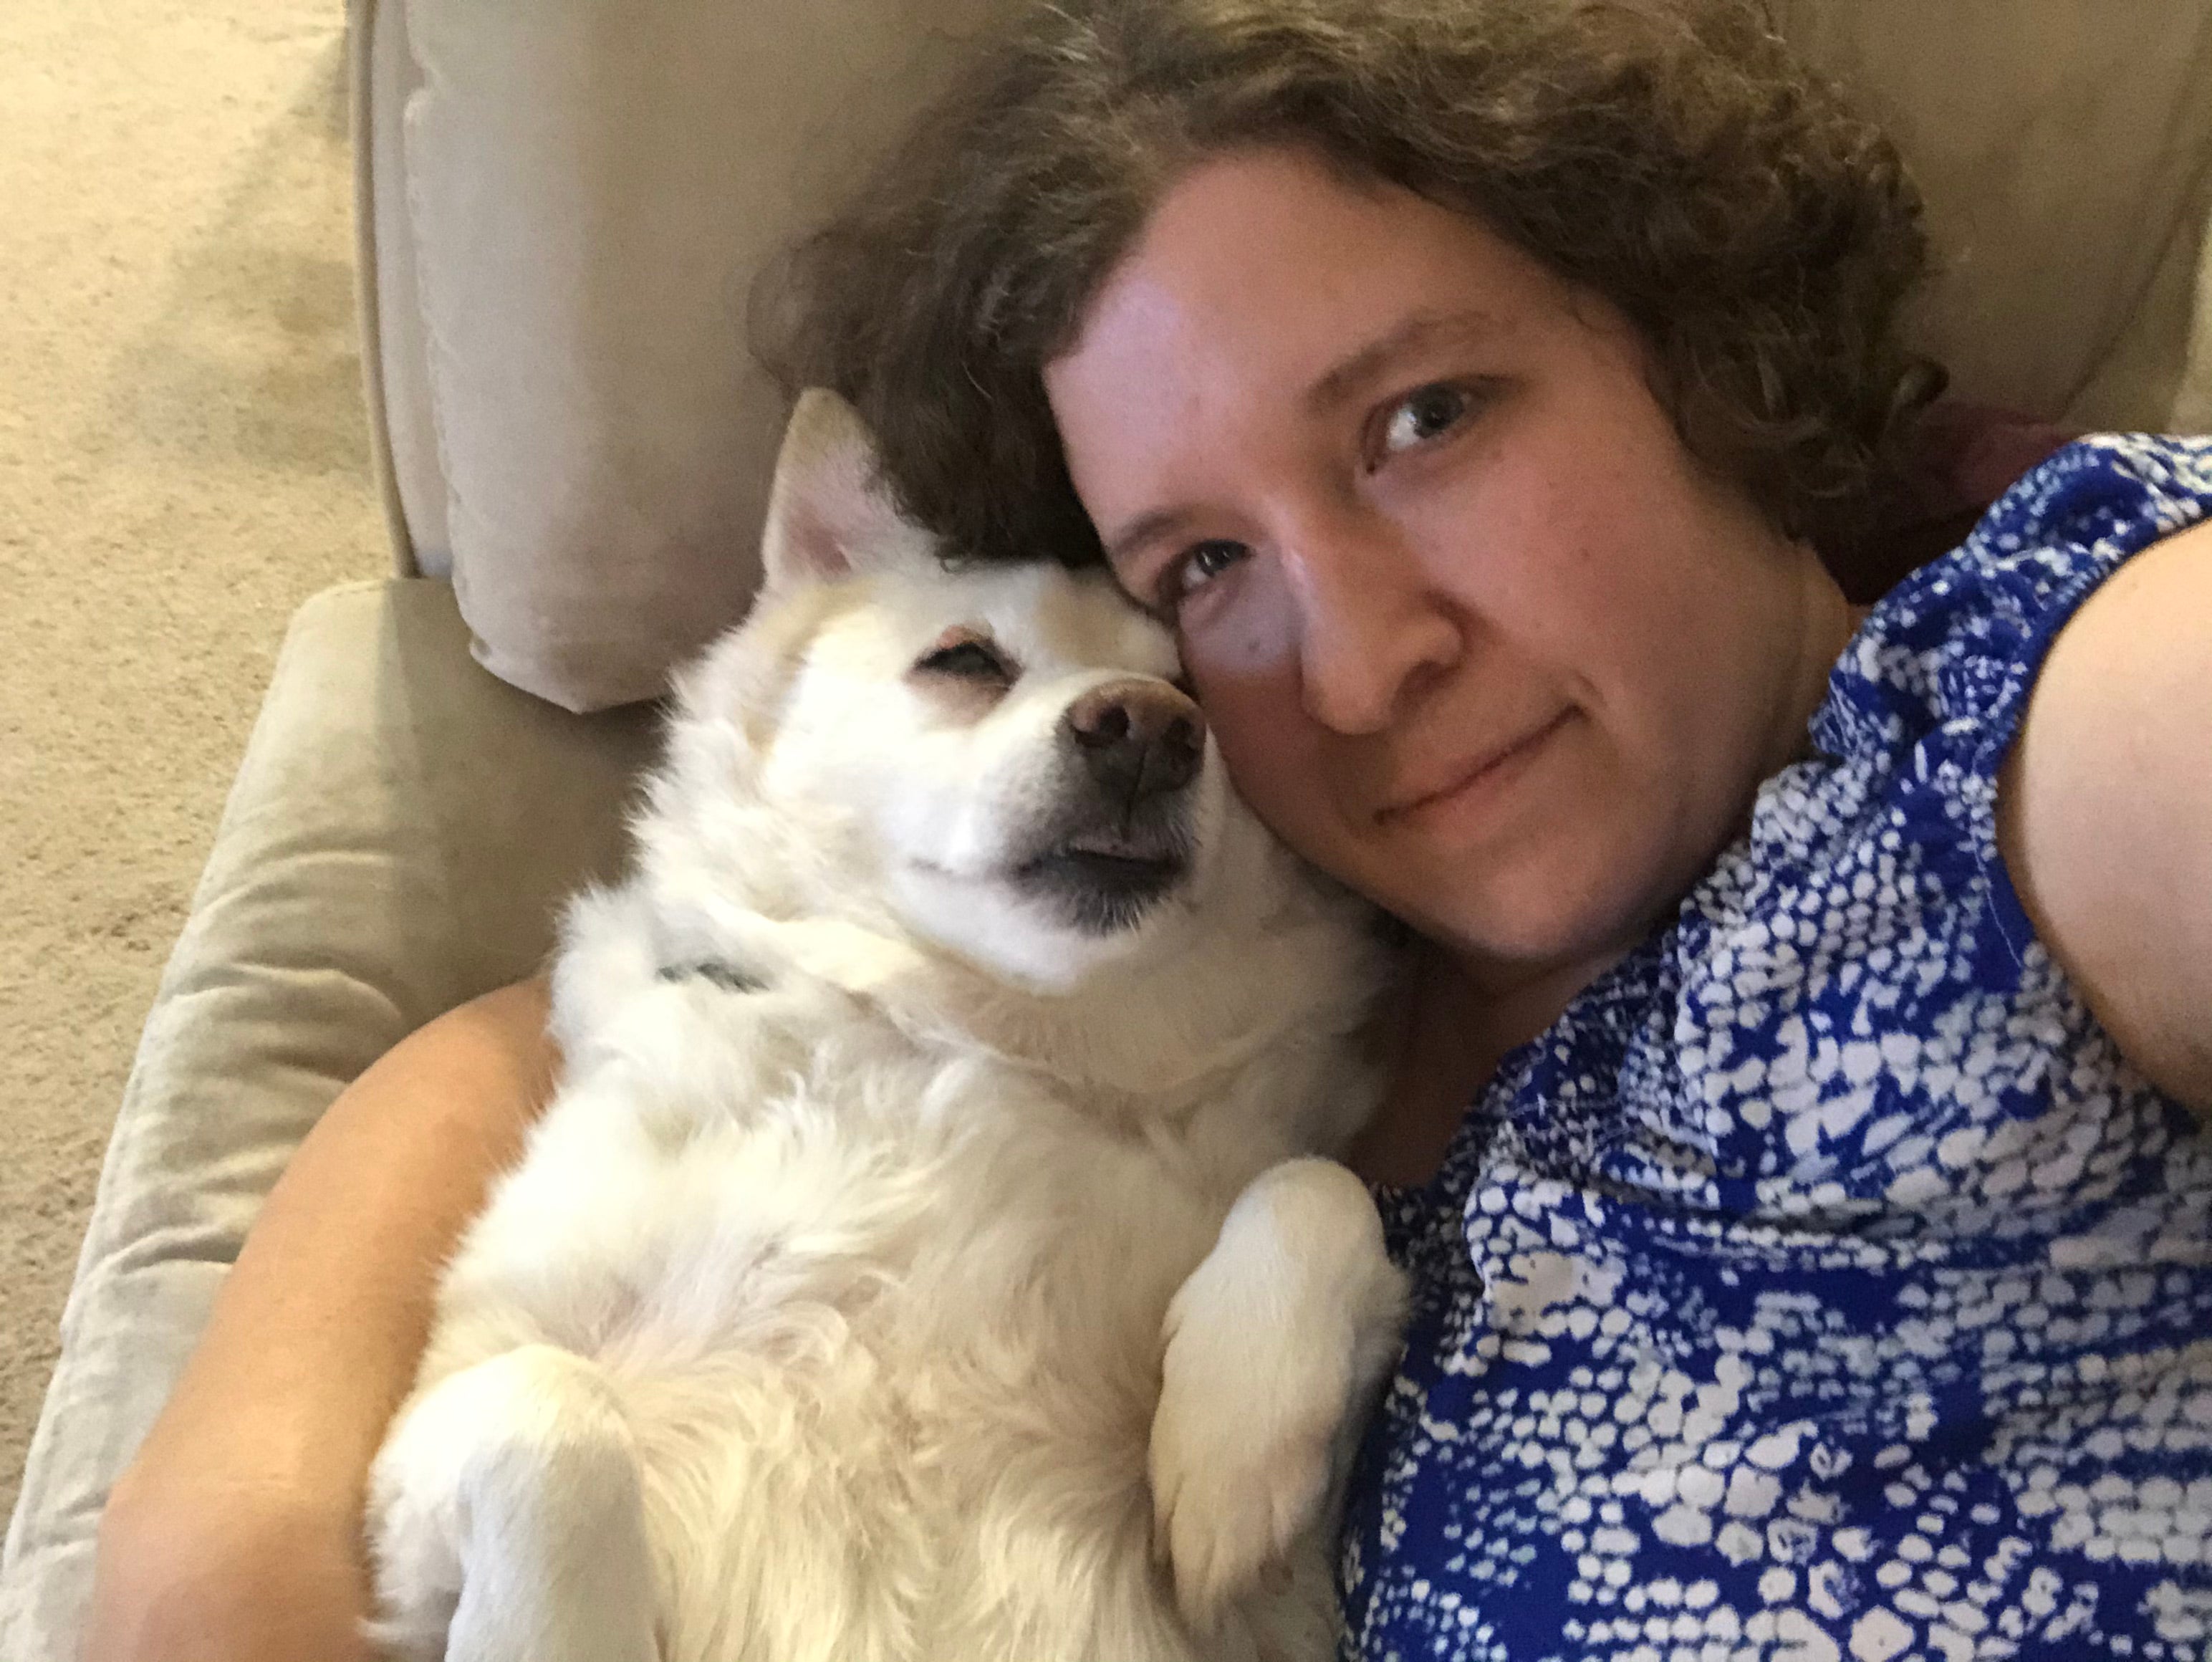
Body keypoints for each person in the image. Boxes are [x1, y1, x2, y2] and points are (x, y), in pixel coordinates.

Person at [89, 1, 2212, 1658]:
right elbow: (220, 1589)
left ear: (1693, 340)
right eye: (1202, 566)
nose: (1356, 667)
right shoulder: (1323, 1045)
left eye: (1427, 418)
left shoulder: (2015, 729)